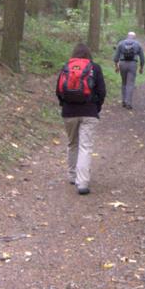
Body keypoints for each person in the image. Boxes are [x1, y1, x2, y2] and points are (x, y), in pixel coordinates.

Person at [56, 42, 105, 195]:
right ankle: (82, 182)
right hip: (89, 112)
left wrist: (64, 104)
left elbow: (58, 90)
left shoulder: (66, 67)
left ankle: (72, 175)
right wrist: (96, 107)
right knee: (85, 147)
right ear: (88, 54)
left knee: (72, 144)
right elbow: (102, 91)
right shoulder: (94, 68)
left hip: (69, 112)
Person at [113, 31, 145, 109]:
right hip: (133, 64)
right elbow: (142, 58)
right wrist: (141, 67)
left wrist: (116, 66)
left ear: (127, 36)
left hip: (122, 64)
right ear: (134, 37)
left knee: (124, 82)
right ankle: (128, 103)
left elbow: (116, 58)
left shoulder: (121, 43)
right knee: (130, 84)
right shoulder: (138, 44)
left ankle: (123, 101)